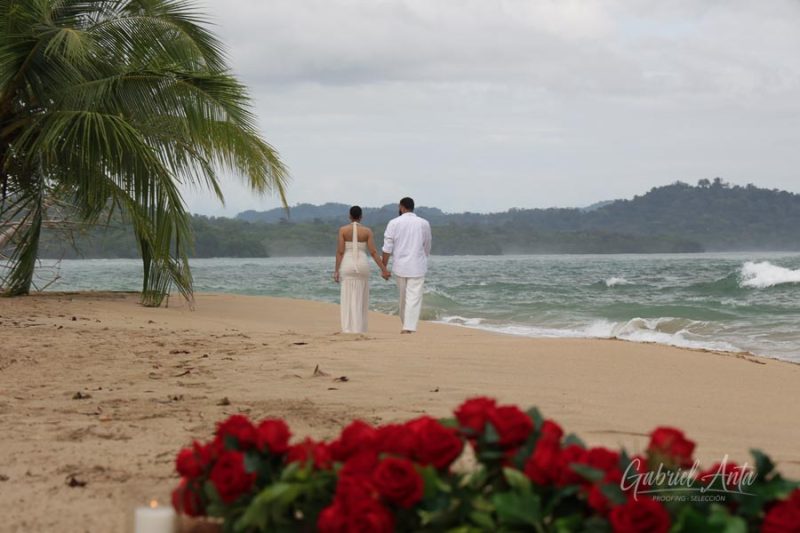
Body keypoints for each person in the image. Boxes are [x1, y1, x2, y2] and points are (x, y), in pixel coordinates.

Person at [334, 206, 391, 333]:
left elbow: (340, 252)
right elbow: (373, 252)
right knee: (361, 297)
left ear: (349, 216)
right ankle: (359, 328)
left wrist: (336, 271)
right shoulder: (367, 231)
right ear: (361, 217)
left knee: (347, 296)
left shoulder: (343, 230)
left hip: (348, 264)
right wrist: (384, 269)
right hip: (362, 265)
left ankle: (348, 328)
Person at [382, 197, 432, 333]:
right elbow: (427, 244)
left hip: (400, 266)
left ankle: (407, 325)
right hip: (417, 265)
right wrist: (423, 257)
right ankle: (408, 326)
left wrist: (384, 267)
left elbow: (387, 248)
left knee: (403, 297)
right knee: (413, 297)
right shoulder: (423, 223)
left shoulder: (393, 223)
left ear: (401, 207)